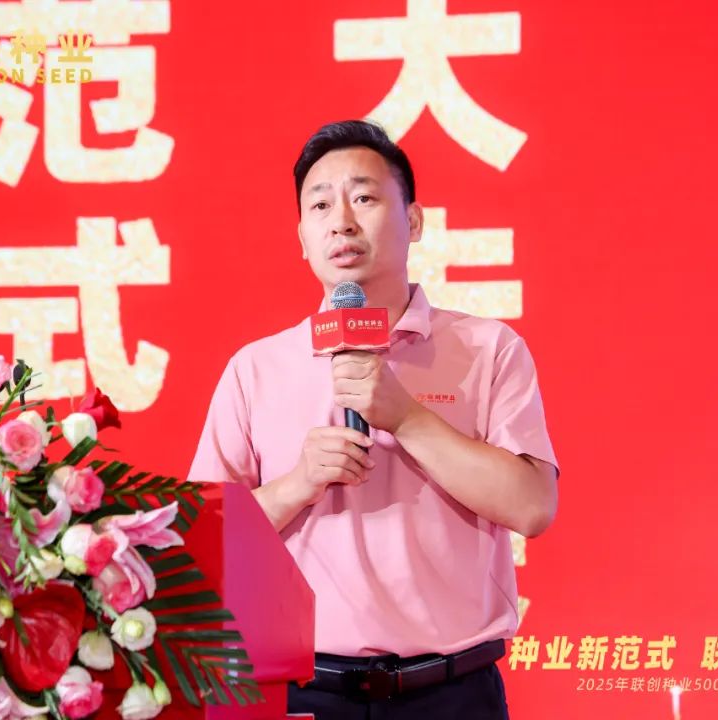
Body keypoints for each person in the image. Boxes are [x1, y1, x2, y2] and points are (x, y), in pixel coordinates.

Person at [188, 120, 559, 719]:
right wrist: (297, 484)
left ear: (413, 221)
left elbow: (533, 506)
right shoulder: (255, 369)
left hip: (453, 694)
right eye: (320, 205)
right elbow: (204, 542)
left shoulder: (488, 349)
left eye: (363, 198)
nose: (341, 221)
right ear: (302, 238)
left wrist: (406, 417)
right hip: (305, 692)